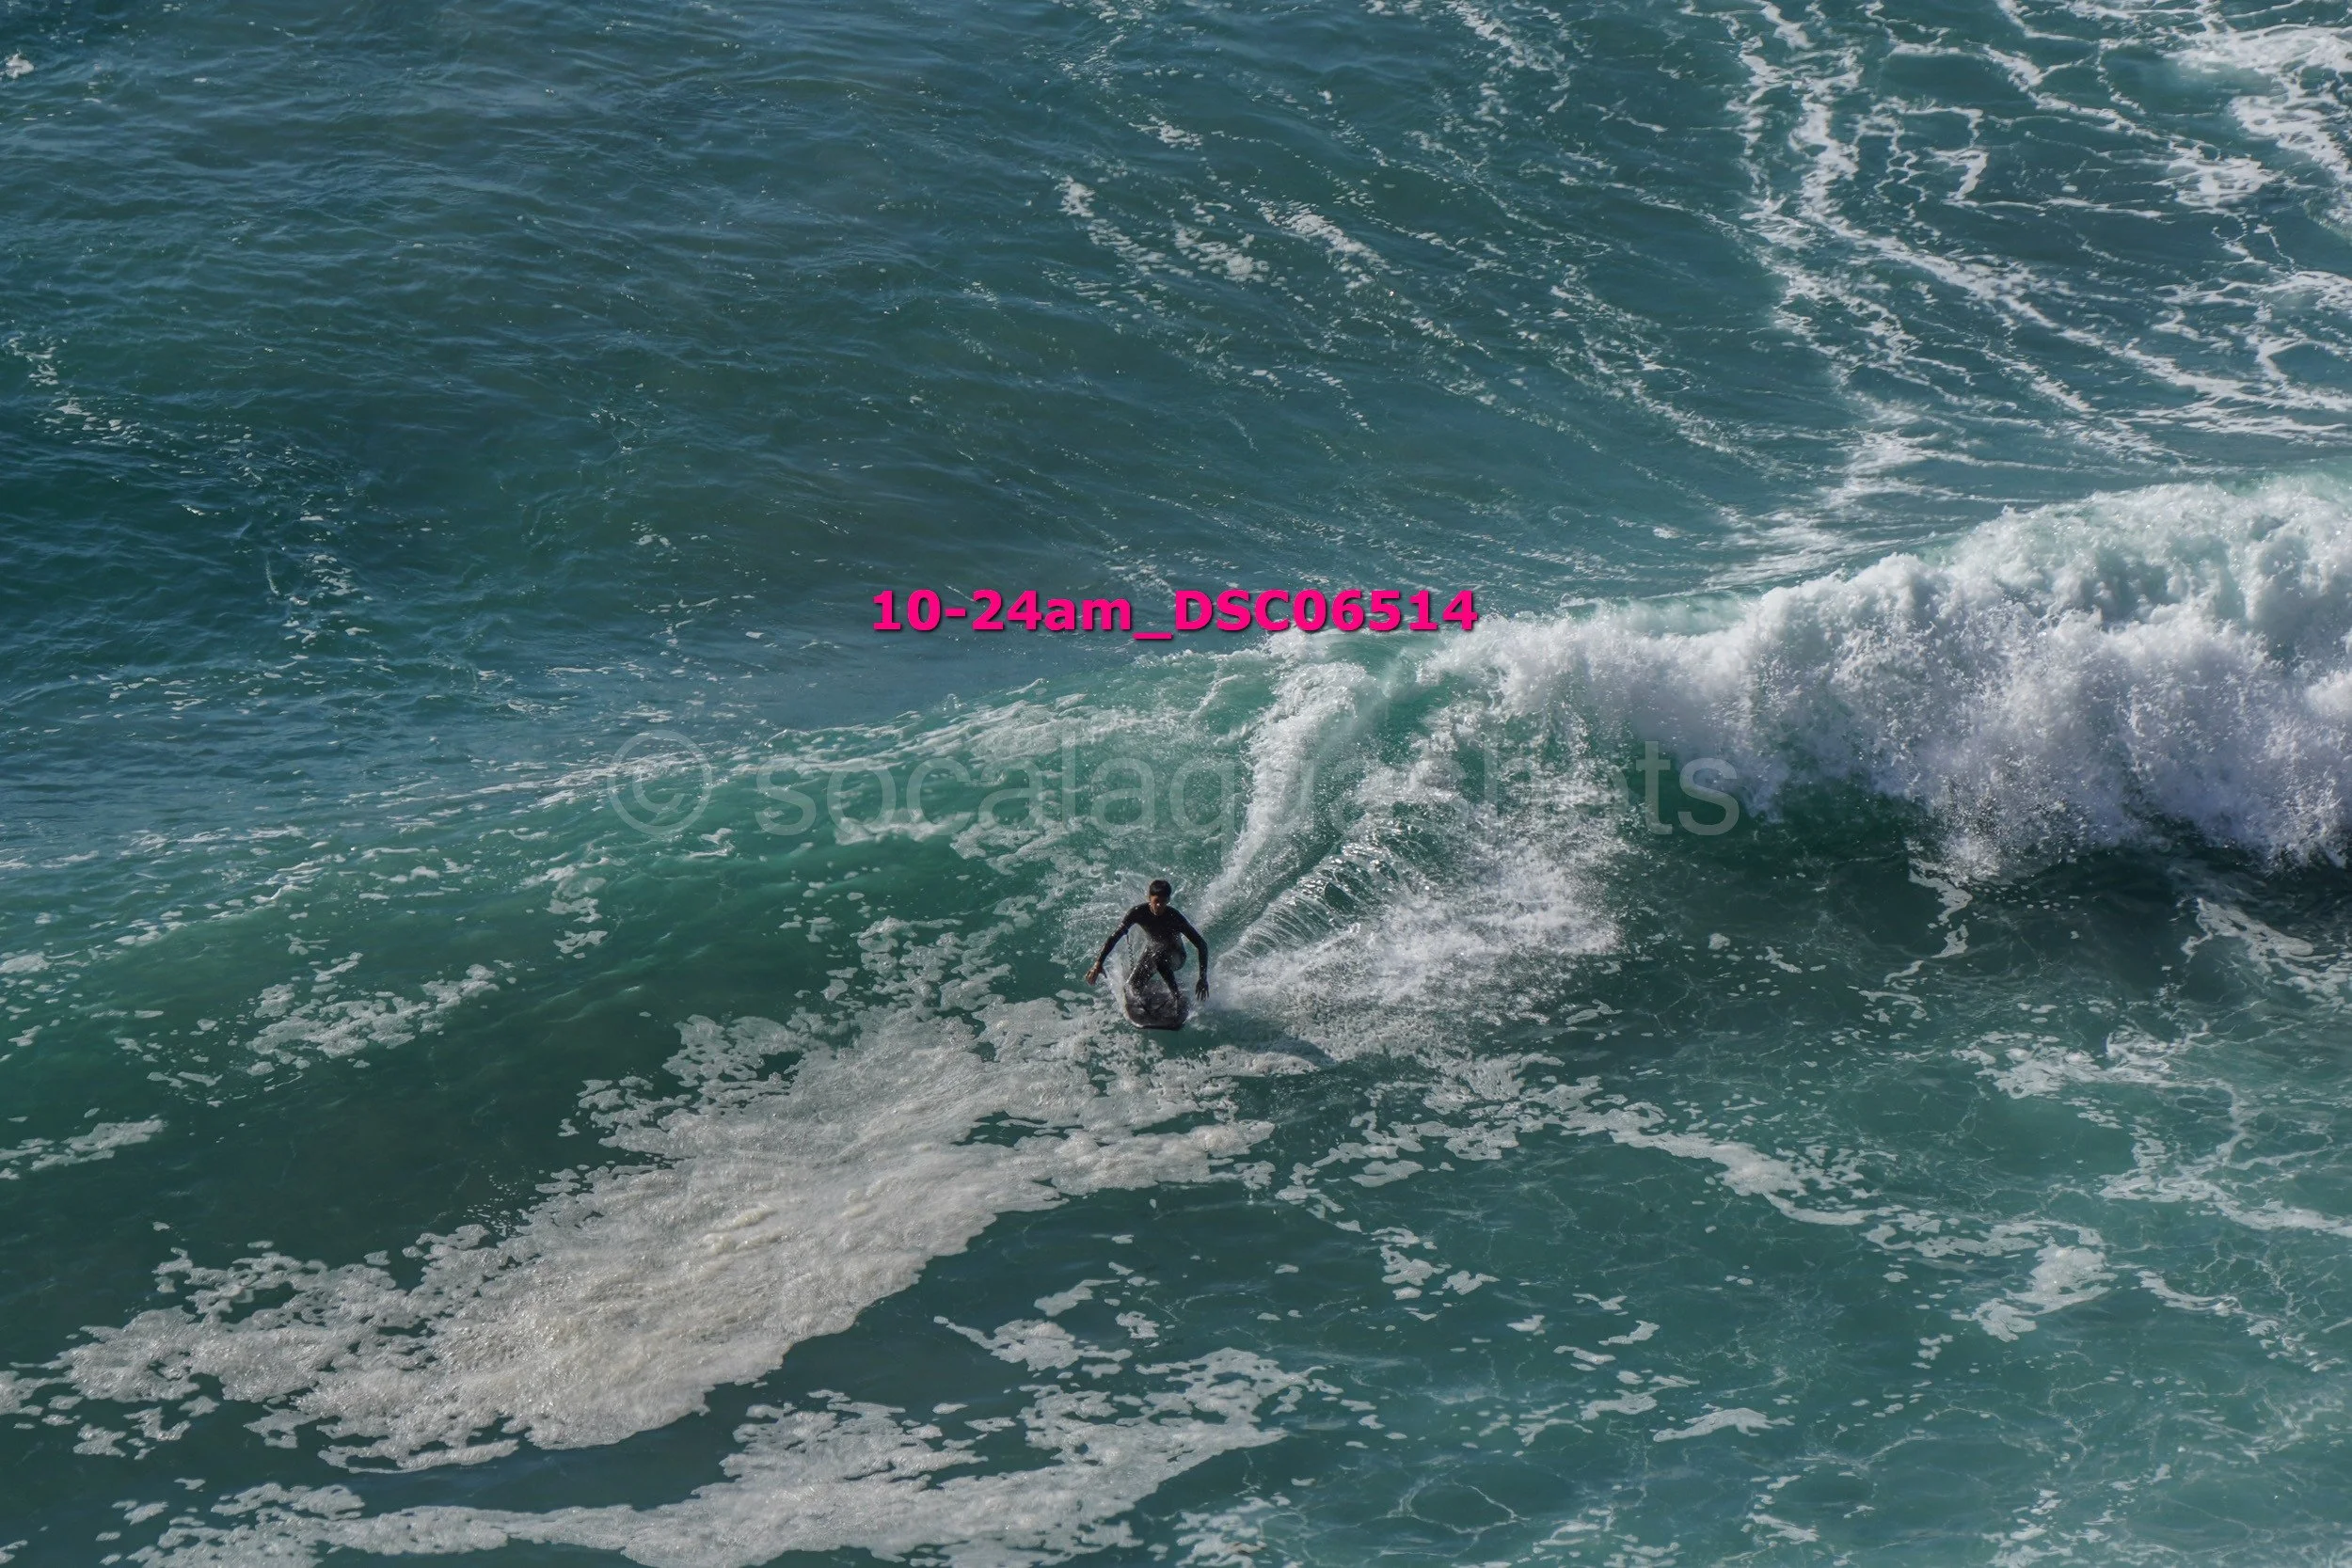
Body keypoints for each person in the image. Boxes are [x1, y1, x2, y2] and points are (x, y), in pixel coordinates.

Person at [1086, 879, 1209, 1002]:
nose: (1159, 906)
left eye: (1164, 902)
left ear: (1168, 900)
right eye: (1156, 901)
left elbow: (1201, 945)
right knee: (1131, 988)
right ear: (1149, 897)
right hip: (1153, 952)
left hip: (1176, 956)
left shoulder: (1175, 918)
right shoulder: (1138, 913)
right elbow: (1114, 937)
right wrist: (1098, 963)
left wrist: (1202, 978)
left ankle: (1177, 997)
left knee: (1158, 957)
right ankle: (1159, 985)